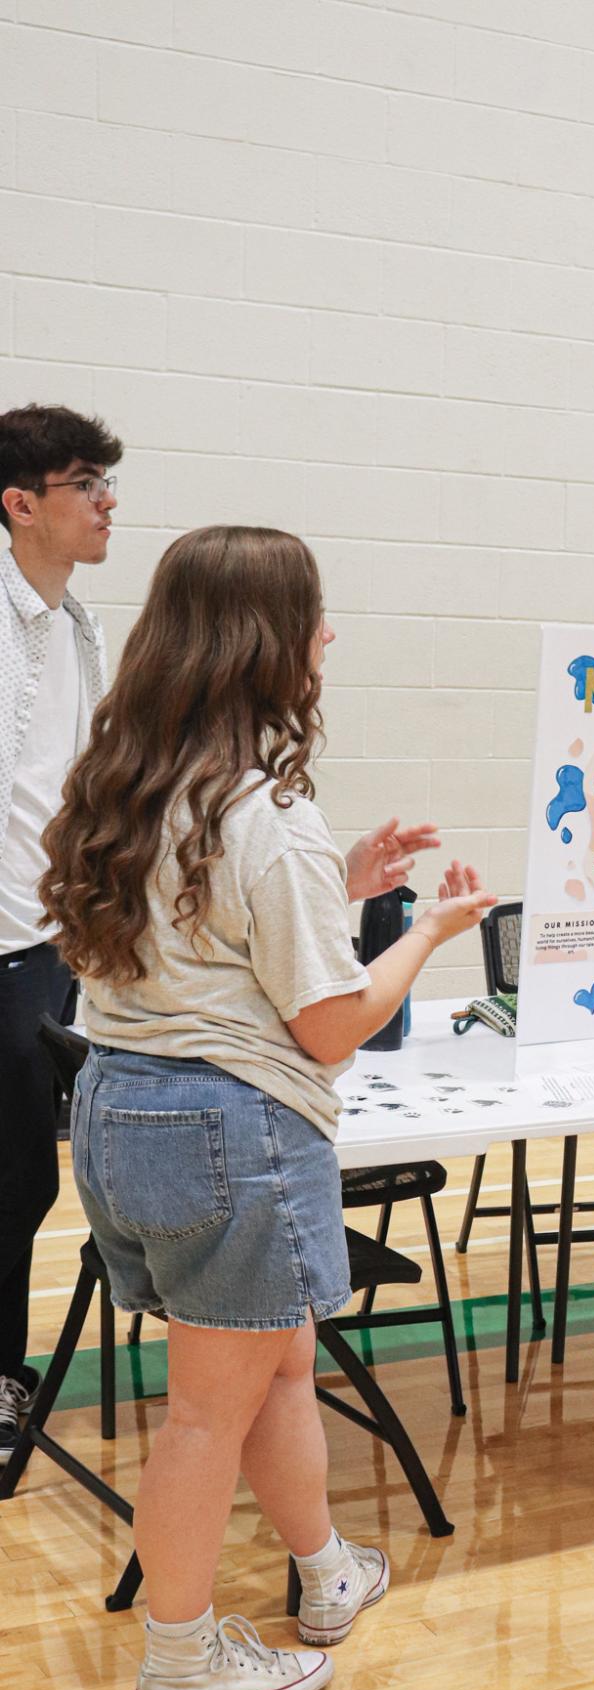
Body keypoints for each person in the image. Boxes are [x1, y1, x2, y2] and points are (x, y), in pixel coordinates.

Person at [40, 524, 494, 1690]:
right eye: (315, 616)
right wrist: (423, 936)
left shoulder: (133, 780)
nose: (329, 636)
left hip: (120, 1108)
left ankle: (323, 1570)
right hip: (227, 1131)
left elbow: (201, 937)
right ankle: (181, 1655)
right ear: (266, 641)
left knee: (278, 1356)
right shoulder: (264, 810)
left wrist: (341, 884)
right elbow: (332, 1027)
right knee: (207, 1408)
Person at [0, 403, 122, 1464]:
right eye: (87, 484)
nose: (107, 503)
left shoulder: (74, 623)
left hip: (44, 950)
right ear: (21, 503)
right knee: (10, 1180)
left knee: (27, 1177)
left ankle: (3, 1371)